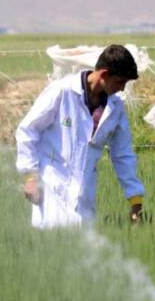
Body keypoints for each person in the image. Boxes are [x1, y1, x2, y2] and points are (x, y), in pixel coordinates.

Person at [16, 45, 146, 228]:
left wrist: (135, 199)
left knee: (83, 248)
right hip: (52, 185)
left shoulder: (115, 107)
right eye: (120, 82)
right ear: (104, 75)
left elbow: (123, 154)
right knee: (50, 246)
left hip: (84, 191)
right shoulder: (62, 91)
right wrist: (30, 176)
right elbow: (28, 130)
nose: (123, 89)